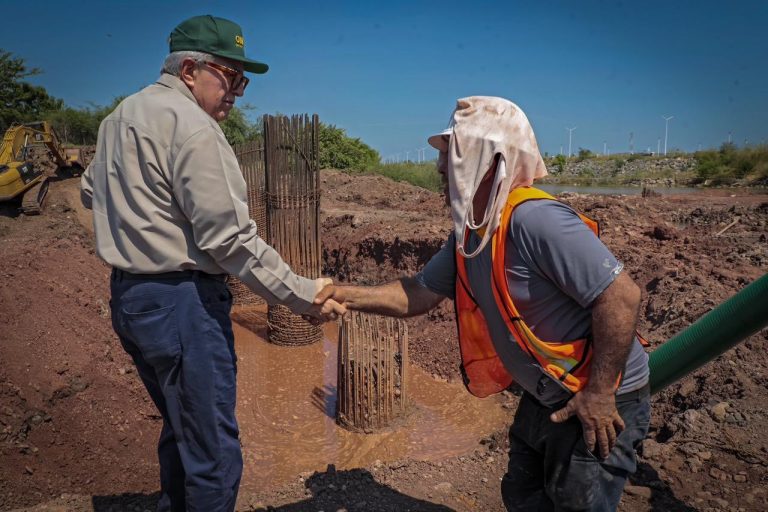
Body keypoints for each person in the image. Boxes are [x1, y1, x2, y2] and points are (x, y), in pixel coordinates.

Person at [318, 96, 650, 511]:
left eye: (454, 154)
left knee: (574, 503)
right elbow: (419, 291)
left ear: (493, 162)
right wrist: (343, 294)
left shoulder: (535, 221)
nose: (440, 168)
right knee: (522, 493)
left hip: (598, 396)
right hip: (547, 391)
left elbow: (622, 296)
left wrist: (600, 394)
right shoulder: (471, 232)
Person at [80, 14, 343, 512]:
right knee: (213, 454)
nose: (238, 92)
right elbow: (230, 240)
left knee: (183, 429)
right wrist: (302, 294)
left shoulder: (120, 116)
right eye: (231, 77)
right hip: (183, 305)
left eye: (242, 82)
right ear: (189, 71)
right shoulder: (193, 128)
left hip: (132, 301)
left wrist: (142, 219)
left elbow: (92, 189)